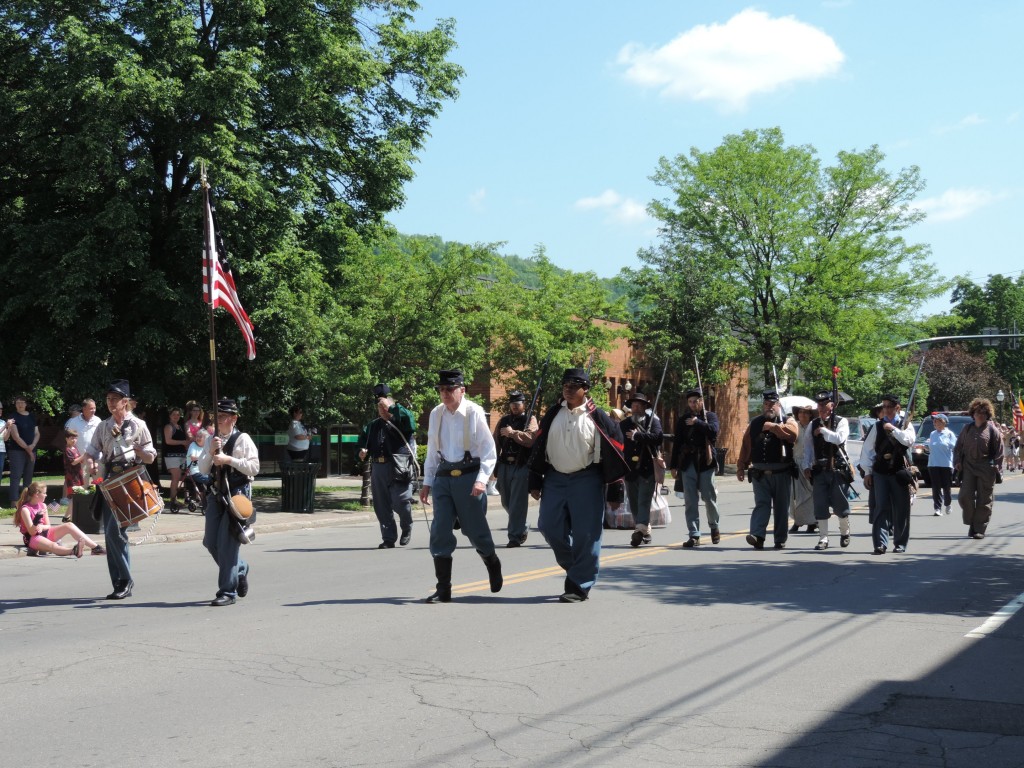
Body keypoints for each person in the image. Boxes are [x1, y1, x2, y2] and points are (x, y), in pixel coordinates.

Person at [527, 368, 629, 603]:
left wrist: (616, 488)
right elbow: (539, 445)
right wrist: (534, 479)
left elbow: (616, 452)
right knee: (548, 527)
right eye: (565, 385)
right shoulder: (553, 413)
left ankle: (579, 584)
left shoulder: (598, 417)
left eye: (574, 386)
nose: (568, 389)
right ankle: (576, 567)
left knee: (587, 534)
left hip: (587, 479)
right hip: (554, 478)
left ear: (586, 390)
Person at [419, 369, 501, 603]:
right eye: (441, 389)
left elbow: (488, 450)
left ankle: (491, 561)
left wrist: (481, 480)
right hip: (444, 477)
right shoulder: (437, 414)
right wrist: (427, 482)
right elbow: (433, 451)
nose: (445, 393)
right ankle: (443, 589)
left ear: (462, 390)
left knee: (475, 531)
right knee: (439, 531)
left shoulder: (473, 412)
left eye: (449, 389)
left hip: (469, 476)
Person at [85, 379, 158, 600]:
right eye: (108, 399)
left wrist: (137, 449)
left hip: (130, 480)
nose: (110, 403)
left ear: (125, 402)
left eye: (114, 399)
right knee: (111, 534)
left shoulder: (139, 425)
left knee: (116, 532)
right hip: (110, 481)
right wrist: (90, 462)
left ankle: (124, 581)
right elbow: (92, 451)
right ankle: (120, 581)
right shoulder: (103, 426)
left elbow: (151, 456)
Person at [197, 398, 260, 606]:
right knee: (210, 542)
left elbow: (254, 468)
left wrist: (229, 460)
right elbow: (204, 469)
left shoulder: (242, 439)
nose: (218, 421)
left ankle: (227, 591)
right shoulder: (211, 440)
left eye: (222, 417)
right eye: (216, 417)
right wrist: (211, 452)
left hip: (236, 495)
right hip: (216, 493)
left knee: (227, 545)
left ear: (233, 418)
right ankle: (240, 568)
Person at [357, 383, 417, 548]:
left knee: (401, 501)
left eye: (385, 406)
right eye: (379, 407)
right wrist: (362, 451)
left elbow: (410, 422)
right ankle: (388, 538)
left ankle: (407, 526)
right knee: (381, 504)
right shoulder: (373, 425)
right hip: (378, 467)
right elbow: (363, 442)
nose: (382, 410)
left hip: (399, 466)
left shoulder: (401, 421)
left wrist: (393, 407)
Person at [737, 389, 798, 550]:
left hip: (782, 472)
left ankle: (780, 539)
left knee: (781, 508)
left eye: (772, 404)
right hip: (759, 473)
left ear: (778, 405)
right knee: (761, 504)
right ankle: (757, 536)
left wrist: (774, 427)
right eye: (766, 404)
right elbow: (746, 445)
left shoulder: (788, 420)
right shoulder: (755, 423)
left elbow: (793, 435)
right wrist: (741, 466)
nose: (768, 407)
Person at [862, 394, 916, 554]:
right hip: (880, 471)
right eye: (884, 406)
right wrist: (867, 472)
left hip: (899, 471)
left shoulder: (905, 424)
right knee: (881, 508)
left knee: (901, 509)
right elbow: (867, 450)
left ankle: (900, 543)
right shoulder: (877, 426)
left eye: (889, 406)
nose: (885, 409)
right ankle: (880, 543)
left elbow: (909, 440)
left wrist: (894, 429)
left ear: (897, 408)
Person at [802, 391, 854, 551]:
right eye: (820, 405)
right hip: (819, 470)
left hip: (837, 469)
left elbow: (839, 439)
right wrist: (806, 466)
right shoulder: (813, 424)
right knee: (820, 505)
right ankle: (823, 539)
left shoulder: (841, 421)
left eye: (825, 404)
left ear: (832, 405)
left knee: (840, 505)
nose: (822, 407)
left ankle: (845, 531)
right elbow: (808, 447)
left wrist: (824, 431)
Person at [670, 387, 720, 547]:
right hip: (688, 462)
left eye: (695, 401)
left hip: (705, 461)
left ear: (701, 401)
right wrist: (673, 465)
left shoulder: (709, 416)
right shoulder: (683, 419)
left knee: (709, 497)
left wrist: (698, 422)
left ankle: (714, 526)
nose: (692, 404)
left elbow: (714, 432)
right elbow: (677, 443)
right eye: (690, 402)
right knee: (690, 500)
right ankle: (694, 534)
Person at [493, 390, 538, 548]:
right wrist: (493, 464)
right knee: (506, 501)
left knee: (517, 503)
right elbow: (495, 441)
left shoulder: (530, 419)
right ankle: (522, 524)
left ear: (523, 405)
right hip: (505, 464)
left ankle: (515, 536)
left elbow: (531, 439)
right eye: (512, 404)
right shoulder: (504, 420)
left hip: (521, 465)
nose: (514, 407)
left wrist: (513, 434)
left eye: (517, 404)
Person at [619, 392, 663, 548]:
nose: (636, 408)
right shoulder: (623, 425)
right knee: (634, 503)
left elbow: (658, 438)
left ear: (645, 407)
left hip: (647, 469)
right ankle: (645, 529)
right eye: (634, 405)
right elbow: (617, 444)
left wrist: (639, 436)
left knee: (644, 500)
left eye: (639, 405)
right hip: (630, 470)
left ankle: (638, 531)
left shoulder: (652, 422)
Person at [954, 397, 1002, 540]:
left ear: (987, 414)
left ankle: (979, 528)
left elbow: (999, 451)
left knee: (984, 499)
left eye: (983, 412)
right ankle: (972, 523)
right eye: (977, 412)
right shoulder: (967, 429)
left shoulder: (993, 430)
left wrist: (996, 466)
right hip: (968, 466)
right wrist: (957, 462)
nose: (980, 414)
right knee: (964, 497)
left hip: (986, 467)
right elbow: (958, 448)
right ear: (973, 414)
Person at [14, 481, 104, 557]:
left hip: (44, 532)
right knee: (52, 545)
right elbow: (32, 532)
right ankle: (73, 551)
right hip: (32, 538)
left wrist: (42, 527)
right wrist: (37, 520)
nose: (46, 495)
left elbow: (48, 526)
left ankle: (96, 548)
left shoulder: (43, 505)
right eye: (44, 493)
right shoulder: (25, 509)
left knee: (69, 525)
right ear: (36, 494)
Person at [6, 395, 40, 506]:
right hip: (17, 451)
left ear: (26, 404)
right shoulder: (13, 417)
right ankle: (14, 501)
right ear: (15, 405)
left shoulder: (31, 416)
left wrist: (33, 445)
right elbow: (16, 436)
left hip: (32, 449)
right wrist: (29, 450)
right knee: (16, 475)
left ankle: (26, 500)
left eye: (22, 402)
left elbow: (37, 433)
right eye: (17, 402)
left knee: (28, 476)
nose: (20, 404)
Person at [788, 406, 817, 533]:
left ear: (810, 415)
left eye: (806, 412)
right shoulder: (794, 426)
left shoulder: (813, 426)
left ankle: (812, 522)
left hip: (811, 464)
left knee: (811, 494)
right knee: (796, 495)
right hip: (796, 463)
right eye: (800, 412)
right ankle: (798, 521)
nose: (803, 414)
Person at [66, 399, 101, 485]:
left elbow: (102, 439)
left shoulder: (98, 420)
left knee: (101, 487)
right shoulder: (74, 422)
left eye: (94, 408)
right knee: (81, 489)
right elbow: (69, 440)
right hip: (81, 461)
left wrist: (97, 459)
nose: (93, 410)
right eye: (91, 408)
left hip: (97, 460)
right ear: (84, 408)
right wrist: (74, 455)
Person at [927, 413, 957, 516]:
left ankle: (948, 504)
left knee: (946, 487)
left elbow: (954, 447)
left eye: (938, 421)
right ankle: (937, 508)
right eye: (934, 421)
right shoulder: (932, 434)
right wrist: (926, 447)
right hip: (933, 464)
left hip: (946, 464)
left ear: (944, 422)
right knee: (936, 487)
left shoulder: (949, 434)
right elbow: (931, 447)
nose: (935, 423)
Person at [161, 407, 189, 510]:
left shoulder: (180, 427)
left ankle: (176, 499)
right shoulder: (169, 427)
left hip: (181, 455)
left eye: (178, 415)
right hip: (171, 456)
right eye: (174, 415)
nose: (176, 416)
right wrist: (182, 442)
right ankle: (173, 500)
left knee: (180, 477)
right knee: (176, 477)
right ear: (170, 416)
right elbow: (168, 441)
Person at [61, 428, 86, 510]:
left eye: (75, 438)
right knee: (73, 496)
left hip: (78, 475)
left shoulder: (75, 448)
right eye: (72, 438)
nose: (74, 440)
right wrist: (84, 455)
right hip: (71, 477)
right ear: (66, 439)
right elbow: (73, 462)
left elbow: (79, 460)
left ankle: (70, 515)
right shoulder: (67, 449)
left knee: (78, 495)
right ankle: (70, 515)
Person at [0, 402, 11, 503]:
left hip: (1, 451)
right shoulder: (3, 424)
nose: (0, 411)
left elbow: (5, 438)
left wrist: (10, 428)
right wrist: (5, 426)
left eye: (1, 409)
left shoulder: (3, 422)